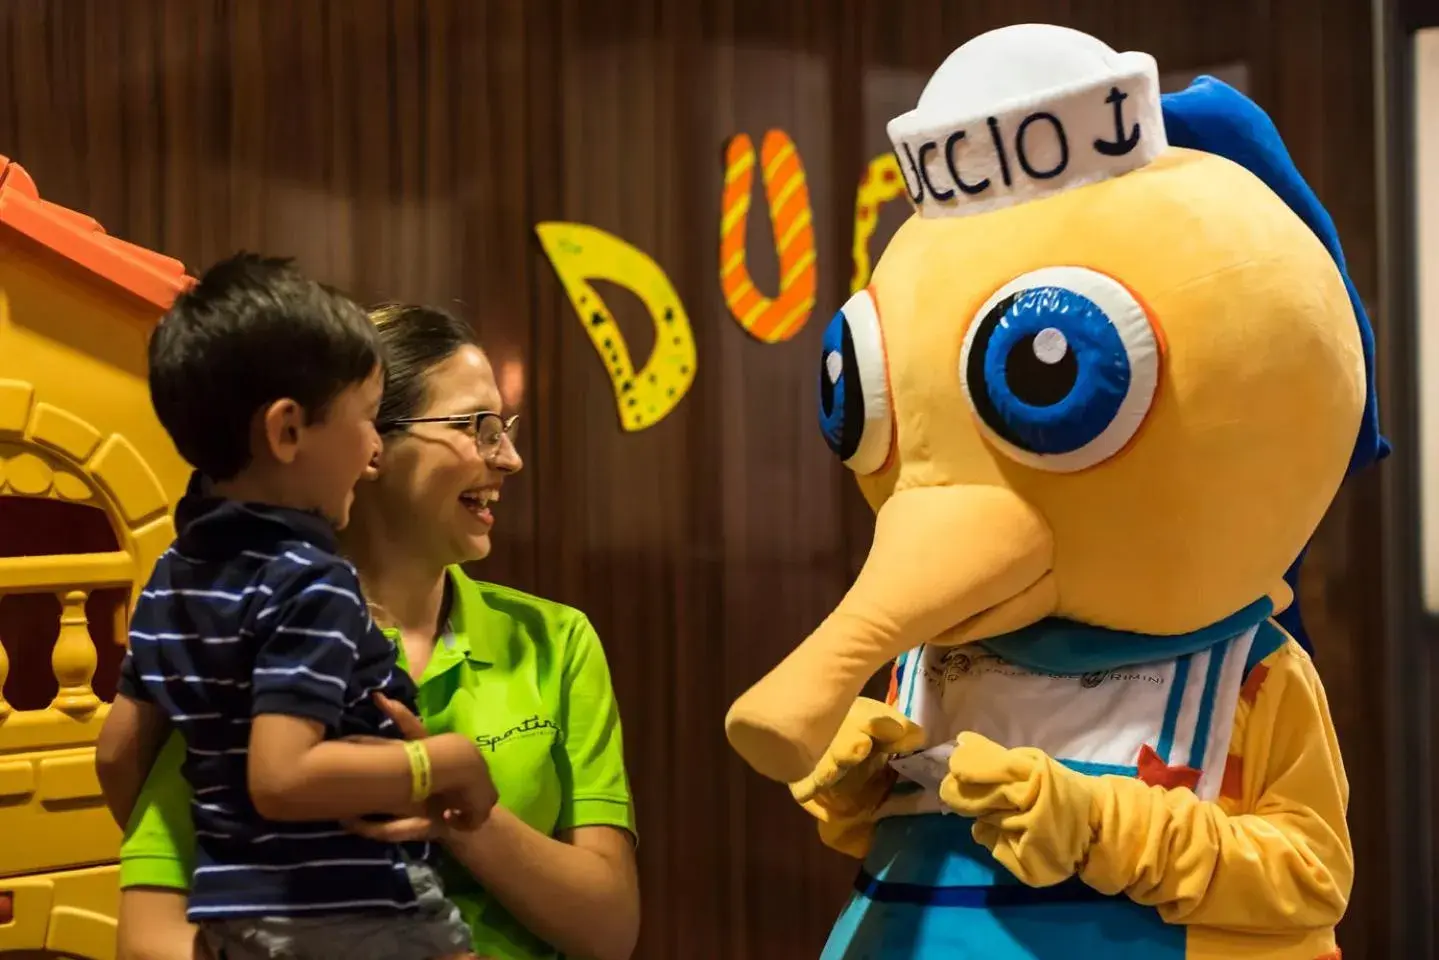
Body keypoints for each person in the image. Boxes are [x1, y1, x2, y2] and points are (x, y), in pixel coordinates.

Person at [113, 302, 641, 960]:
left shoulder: (554, 639)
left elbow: (611, 929)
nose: (509, 459)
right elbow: (148, 934)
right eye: (476, 428)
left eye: (503, 428)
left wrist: (457, 817)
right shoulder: (267, 637)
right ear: (369, 446)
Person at [95, 254, 496, 960]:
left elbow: (118, 755)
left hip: (232, 917)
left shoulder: (171, 577)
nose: (375, 452)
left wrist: (233, 855)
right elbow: (283, 778)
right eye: (368, 420)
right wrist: (446, 763)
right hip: (353, 908)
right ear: (286, 432)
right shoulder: (311, 583)